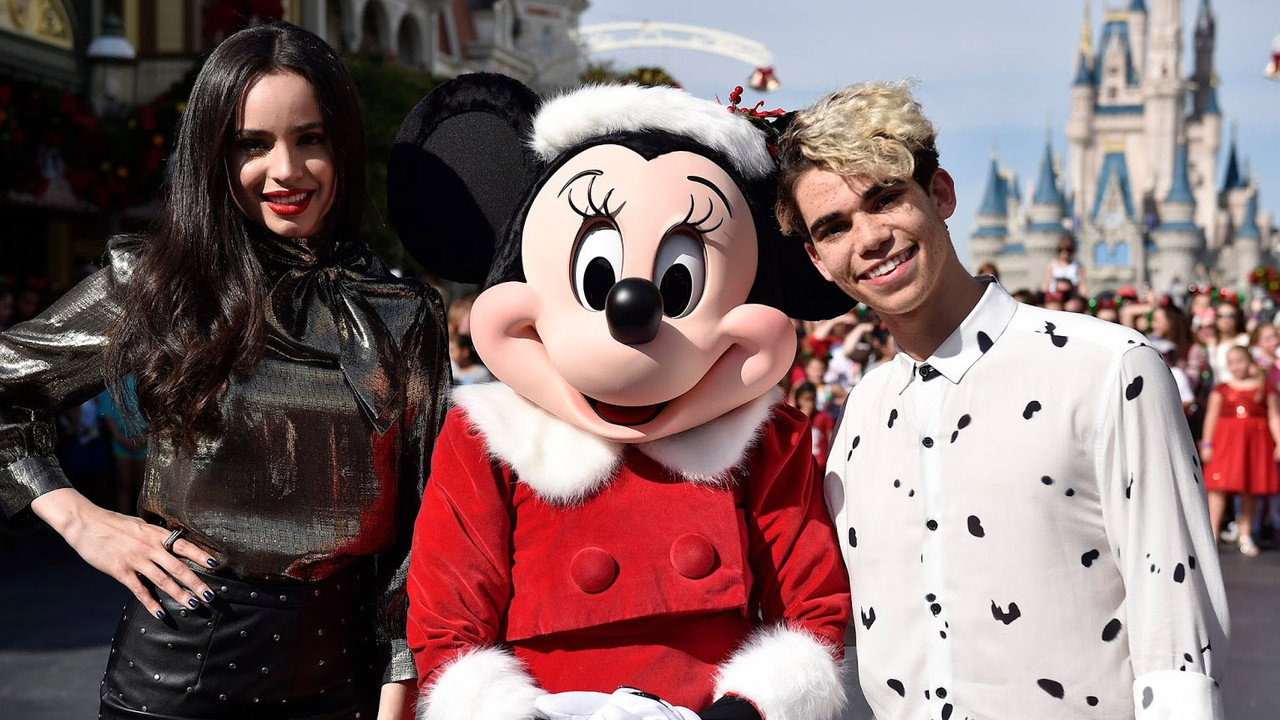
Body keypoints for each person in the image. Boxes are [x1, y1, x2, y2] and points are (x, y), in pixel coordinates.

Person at [0, 22, 449, 720]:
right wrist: (81, 519)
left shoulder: (404, 313)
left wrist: (400, 685)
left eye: (310, 138)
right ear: (214, 154)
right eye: (251, 144)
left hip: (351, 682)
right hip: (179, 679)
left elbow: (423, 522)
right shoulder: (156, 286)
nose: (286, 170)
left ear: (344, 145)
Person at [776, 81, 1229, 720]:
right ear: (818, 259)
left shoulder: (1107, 369)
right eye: (835, 227)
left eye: (885, 199)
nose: (869, 237)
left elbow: (1177, 637)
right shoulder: (863, 412)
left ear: (940, 194)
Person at [1199, 345, 1280, 557]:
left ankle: (1245, 533)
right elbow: (1211, 417)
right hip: (1226, 441)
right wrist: (1207, 444)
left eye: (1240, 361)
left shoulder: (1264, 387)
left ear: (1249, 361)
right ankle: (1212, 534)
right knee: (1218, 486)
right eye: (1231, 362)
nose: (1236, 367)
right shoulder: (1222, 389)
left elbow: (1274, 416)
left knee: (1249, 487)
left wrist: (1279, 441)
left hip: (1255, 442)